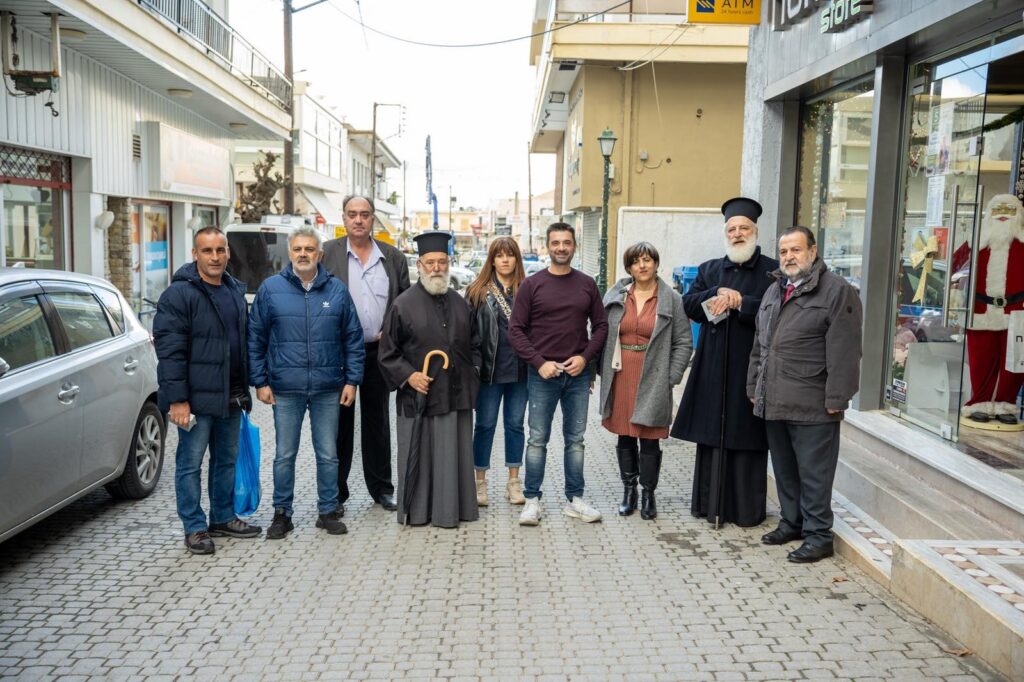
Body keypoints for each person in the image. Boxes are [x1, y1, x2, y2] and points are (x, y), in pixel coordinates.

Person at [748, 225, 863, 563]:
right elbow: (760, 346)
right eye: (784, 252)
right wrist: (754, 387)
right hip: (775, 399)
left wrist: (837, 398)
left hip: (814, 402)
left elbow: (845, 350)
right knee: (784, 470)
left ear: (813, 252)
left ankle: (818, 535)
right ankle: (792, 523)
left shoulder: (836, 291)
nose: (789, 257)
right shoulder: (774, 291)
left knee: (814, 474)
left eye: (796, 250)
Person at [248, 225, 365, 539]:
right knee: (285, 454)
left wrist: (352, 381)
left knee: (328, 453)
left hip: (329, 387)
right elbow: (255, 338)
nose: (303, 254)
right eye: (298, 249)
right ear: (290, 253)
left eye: (309, 249)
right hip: (285, 389)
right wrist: (260, 381)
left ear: (320, 254)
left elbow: (353, 339)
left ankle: (327, 510)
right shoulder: (271, 289)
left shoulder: (337, 291)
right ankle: (281, 514)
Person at [671, 197, 778, 528]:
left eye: (744, 228)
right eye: (732, 229)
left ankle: (746, 511)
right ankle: (709, 504)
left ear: (755, 232)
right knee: (713, 434)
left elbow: (778, 311)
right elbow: (687, 305)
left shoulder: (772, 271)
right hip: (714, 366)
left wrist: (742, 303)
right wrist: (717, 292)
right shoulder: (710, 269)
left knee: (748, 437)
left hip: (752, 365)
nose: (737, 234)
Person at [154, 226, 261, 555]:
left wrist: (247, 389)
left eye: (220, 250)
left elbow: (241, 345)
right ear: (195, 254)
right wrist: (178, 399)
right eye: (207, 251)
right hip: (195, 401)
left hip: (230, 395)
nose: (215, 257)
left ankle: (223, 517)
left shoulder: (232, 290)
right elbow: (170, 352)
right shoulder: (179, 294)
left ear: (228, 253)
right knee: (190, 464)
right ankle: (195, 528)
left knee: (226, 461)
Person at [378, 231, 481, 528]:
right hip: (419, 397)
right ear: (420, 264)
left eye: (442, 262)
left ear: (449, 263)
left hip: (456, 395)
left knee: (455, 456)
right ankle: (420, 512)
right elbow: (387, 353)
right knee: (420, 456)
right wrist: (409, 376)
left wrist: (472, 372)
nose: (436, 268)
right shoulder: (403, 304)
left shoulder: (461, 303)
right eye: (430, 262)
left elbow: (475, 345)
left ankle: (455, 510)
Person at [508, 222, 609, 526]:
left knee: (575, 440)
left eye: (567, 242)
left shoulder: (587, 284)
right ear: (547, 246)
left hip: (577, 375)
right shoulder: (532, 285)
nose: (561, 248)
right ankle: (532, 500)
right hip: (543, 376)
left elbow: (602, 326)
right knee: (537, 439)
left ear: (574, 246)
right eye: (555, 243)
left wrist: (586, 358)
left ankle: (575, 500)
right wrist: (539, 363)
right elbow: (515, 330)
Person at [322, 196, 410, 512]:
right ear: (343, 218)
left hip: (378, 353)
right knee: (339, 423)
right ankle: (336, 493)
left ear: (373, 219)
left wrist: (394, 333)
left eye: (364, 215)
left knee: (377, 423)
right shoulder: (326, 254)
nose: (358, 220)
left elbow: (405, 306)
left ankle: (382, 489)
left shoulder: (394, 258)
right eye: (352, 214)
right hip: (339, 353)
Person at [600, 242, 692, 520]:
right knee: (625, 435)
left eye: (648, 260)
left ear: (656, 264)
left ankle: (648, 493)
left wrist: (671, 377)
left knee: (649, 437)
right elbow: (601, 332)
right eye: (636, 261)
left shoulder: (671, 299)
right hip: (621, 373)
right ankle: (629, 492)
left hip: (654, 374)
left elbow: (684, 341)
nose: (642, 265)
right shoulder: (616, 295)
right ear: (629, 267)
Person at [465, 237, 529, 507]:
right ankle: (480, 483)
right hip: (488, 372)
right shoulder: (477, 291)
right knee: (485, 426)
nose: (505, 260)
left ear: (517, 259)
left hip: (520, 371)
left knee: (515, 425)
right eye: (499, 255)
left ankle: (514, 482)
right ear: (491, 259)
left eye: (510, 255)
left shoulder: (528, 289)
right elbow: (468, 335)